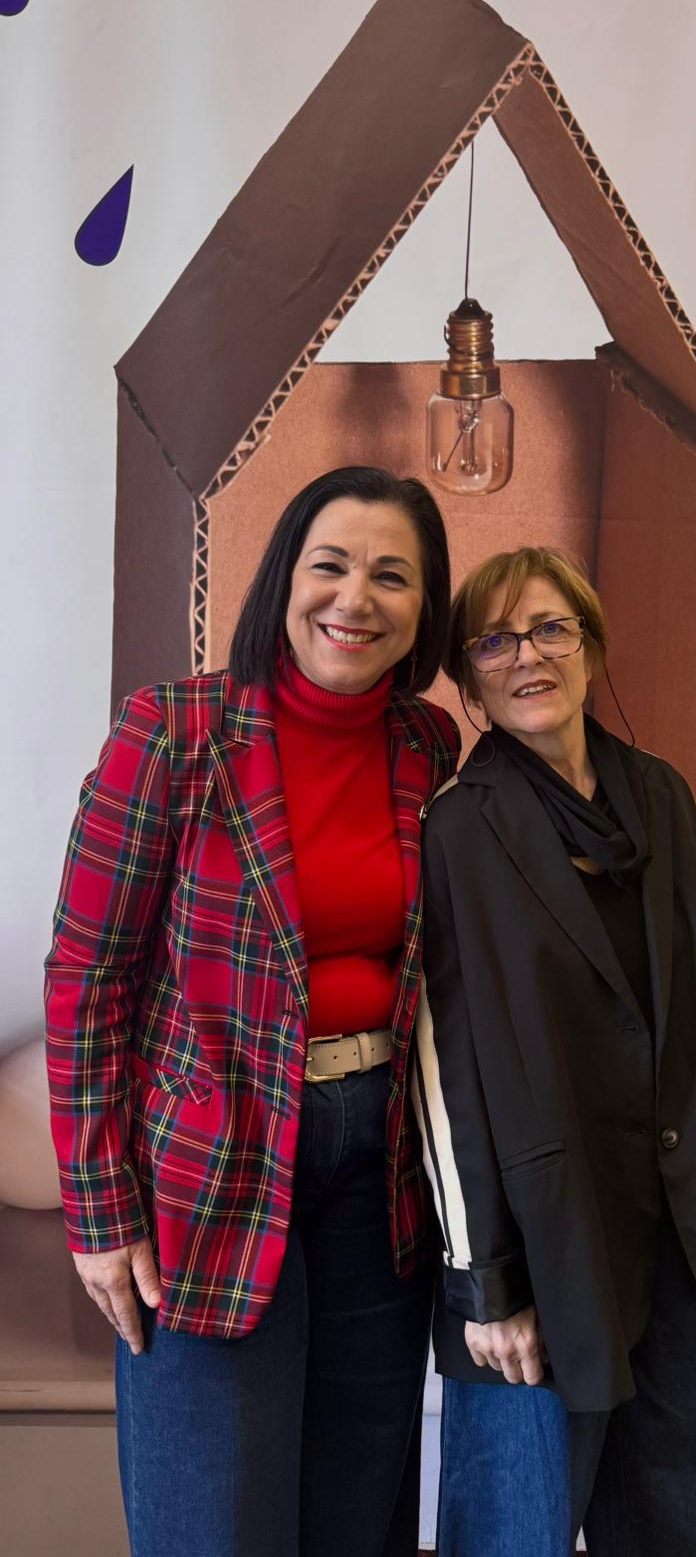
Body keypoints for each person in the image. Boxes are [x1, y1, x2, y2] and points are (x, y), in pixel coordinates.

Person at [45, 466, 460, 1557]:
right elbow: (87, 978)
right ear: (284, 577)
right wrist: (100, 1211)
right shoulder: (173, 732)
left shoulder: (426, 747)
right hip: (208, 1170)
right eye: (331, 565)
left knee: (357, 1509)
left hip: (380, 1172)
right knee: (212, 1517)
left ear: (425, 609)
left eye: (392, 576)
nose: (355, 598)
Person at [412, 545, 696, 1557]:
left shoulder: (661, 794)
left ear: (590, 644)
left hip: (684, 1226)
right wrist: (485, 1281)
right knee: (517, 1527)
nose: (526, 656)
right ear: (467, 678)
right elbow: (444, 1076)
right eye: (494, 642)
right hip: (543, 1241)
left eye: (549, 628)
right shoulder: (455, 831)